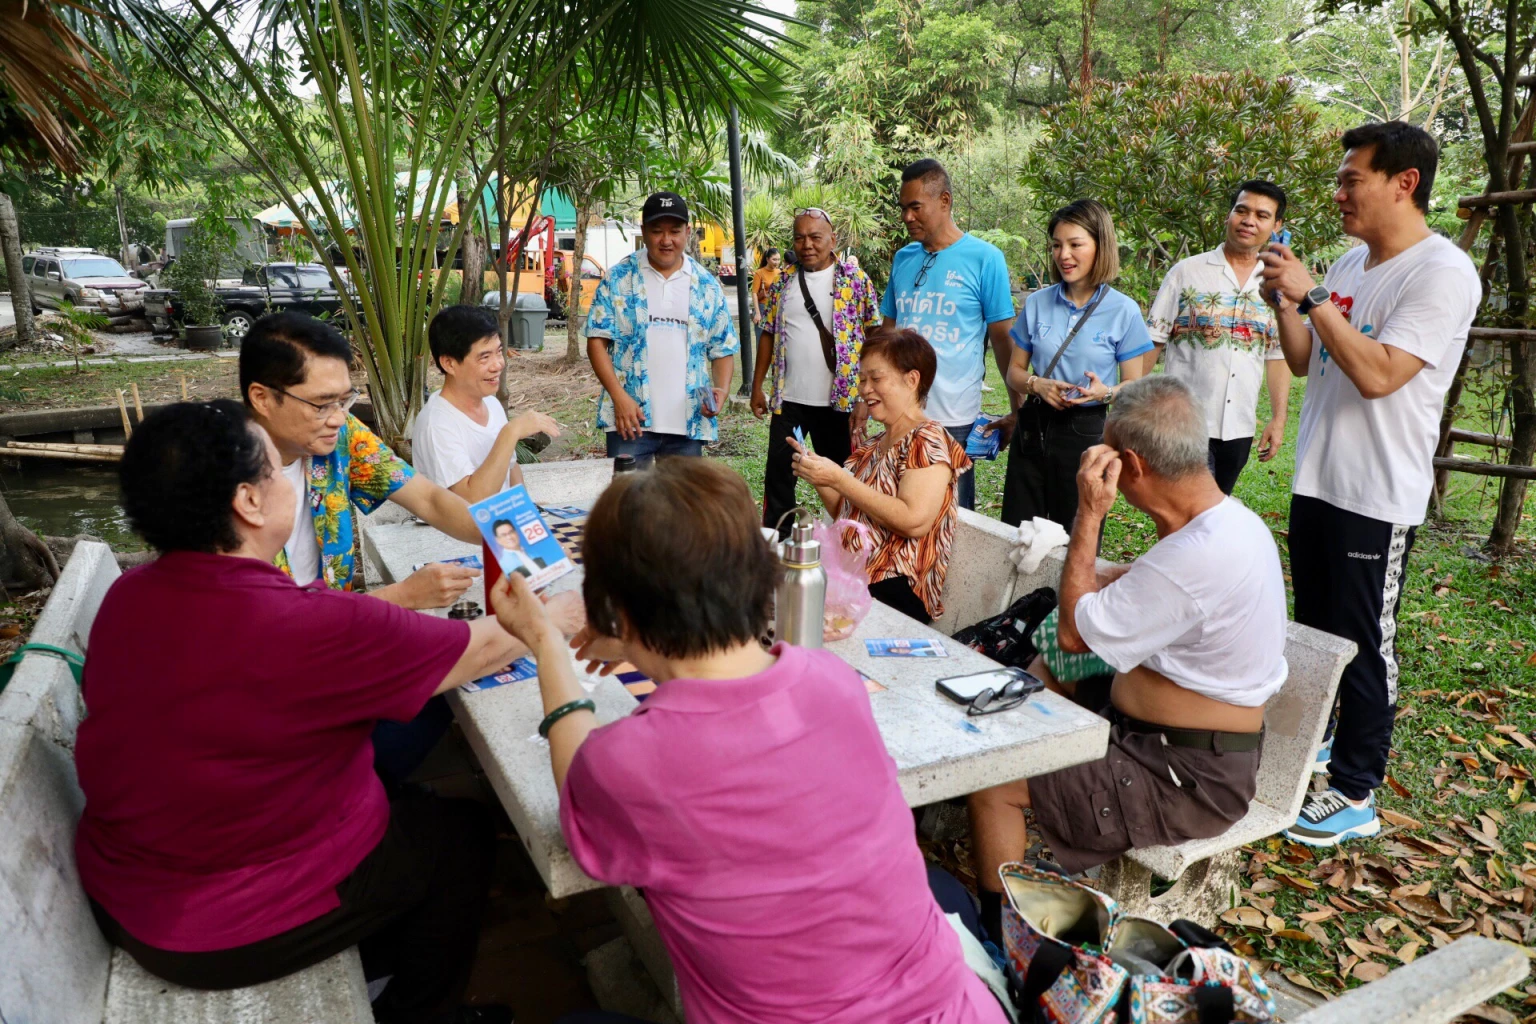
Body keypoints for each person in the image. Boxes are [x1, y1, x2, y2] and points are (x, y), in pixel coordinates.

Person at [74, 401, 575, 1024]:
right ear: (248, 503)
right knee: (458, 836)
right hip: (221, 929)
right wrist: (574, 612)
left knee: (407, 791)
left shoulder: (131, 595)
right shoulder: (305, 625)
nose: (292, 478)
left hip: (131, 889)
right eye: (278, 470)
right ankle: (422, 1013)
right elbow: (488, 648)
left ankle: (381, 957)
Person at [485, 457, 1008, 1024]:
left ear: (621, 614)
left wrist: (544, 640)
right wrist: (637, 640)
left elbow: (576, 783)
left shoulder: (630, 761)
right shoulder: (832, 682)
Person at [966, 376, 1287, 940]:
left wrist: (1087, 513)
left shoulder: (1200, 554)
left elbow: (1073, 632)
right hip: (1162, 737)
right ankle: (1020, 731)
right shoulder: (1227, 521)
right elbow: (1118, 609)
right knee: (1060, 664)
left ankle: (1001, 939)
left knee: (995, 779)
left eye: (1109, 455)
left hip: (1185, 775)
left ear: (1133, 467)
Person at [1259, 121, 1481, 847]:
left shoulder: (1441, 272)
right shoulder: (1351, 265)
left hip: (1376, 491)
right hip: (1319, 476)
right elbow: (1304, 361)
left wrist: (1313, 294)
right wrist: (1286, 304)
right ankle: (1320, 743)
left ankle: (1357, 787)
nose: (1340, 193)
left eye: (1352, 178)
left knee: (1363, 637)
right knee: (1317, 628)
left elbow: (1381, 374)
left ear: (1403, 182)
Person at [240, 311, 492, 786]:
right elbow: (272, 636)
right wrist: (404, 597)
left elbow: (431, 498)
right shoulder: (222, 468)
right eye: (320, 404)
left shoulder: (340, 438)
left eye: (344, 399)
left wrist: (507, 533)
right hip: (279, 680)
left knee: (443, 674)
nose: (338, 417)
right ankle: (352, 799)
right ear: (262, 398)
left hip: (332, 636)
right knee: (446, 672)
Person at [790, 329, 970, 625]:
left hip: (896, 588)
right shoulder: (873, 445)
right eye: (862, 380)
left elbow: (914, 519)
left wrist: (839, 479)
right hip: (856, 580)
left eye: (876, 378)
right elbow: (846, 513)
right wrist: (819, 476)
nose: (865, 389)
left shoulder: (928, 439)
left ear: (912, 380)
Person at [1002, 199, 1152, 528]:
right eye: (1056, 245)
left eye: (1075, 244)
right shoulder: (1038, 303)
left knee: (1075, 531)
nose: (1063, 255)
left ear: (1101, 246)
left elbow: (1134, 385)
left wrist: (1104, 393)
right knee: (1018, 530)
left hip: (1086, 430)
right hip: (1034, 427)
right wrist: (1035, 384)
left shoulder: (1123, 310)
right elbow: (1014, 371)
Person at [880, 159, 1018, 510]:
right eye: (903, 208)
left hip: (953, 416)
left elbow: (1003, 340)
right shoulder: (903, 258)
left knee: (951, 519)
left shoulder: (985, 258)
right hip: (901, 410)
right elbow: (887, 333)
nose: (907, 217)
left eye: (915, 207)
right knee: (897, 509)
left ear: (944, 201)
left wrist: (1018, 408)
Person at [1147, 181, 1292, 495]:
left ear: (1276, 225)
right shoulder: (1186, 273)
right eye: (1241, 210)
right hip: (1184, 424)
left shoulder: (1277, 282)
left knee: (1216, 511)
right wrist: (1135, 409)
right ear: (1229, 215)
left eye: (1262, 215)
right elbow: (1154, 341)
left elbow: (1278, 355)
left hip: (1239, 427)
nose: (1249, 220)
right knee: (1185, 511)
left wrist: (1278, 419)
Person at [750, 208, 882, 534]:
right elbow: (767, 333)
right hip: (789, 404)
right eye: (799, 237)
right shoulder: (782, 281)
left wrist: (867, 397)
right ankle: (777, 547)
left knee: (845, 483)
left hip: (839, 406)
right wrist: (756, 386)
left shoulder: (856, 281)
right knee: (779, 479)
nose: (806, 244)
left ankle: (849, 545)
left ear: (833, 239)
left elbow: (876, 340)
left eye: (815, 237)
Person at [585, 191, 739, 467]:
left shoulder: (706, 285)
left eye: (675, 231)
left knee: (681, 508)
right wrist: (619, 398)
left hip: (688, 424)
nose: (666, 240)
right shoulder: (619, 278)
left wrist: (722, 391)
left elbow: (723, 347)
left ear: (688, 232)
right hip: (630, 421)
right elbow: (597, 341)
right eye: (657, 231)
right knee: (630, 506)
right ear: (644, 231)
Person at [412, 304, 560, 502]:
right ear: (449, 363)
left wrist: (526, 514)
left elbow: (511, 468)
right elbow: (471, 502)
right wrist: (510, 433)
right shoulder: (436, 424)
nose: (498, 364)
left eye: (499, 352)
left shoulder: (491, 404)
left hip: (503, 528)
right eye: (484, 357)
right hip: (461, 533)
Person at [751, 247, 782, 324]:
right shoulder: (759, 273)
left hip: (775, 307)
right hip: (762, 307)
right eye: (774, 259)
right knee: (761, 335)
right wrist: (758, 313)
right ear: (767, 259)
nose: (777, 262)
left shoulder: (779, 272)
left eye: (778, 259)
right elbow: (754, 293)